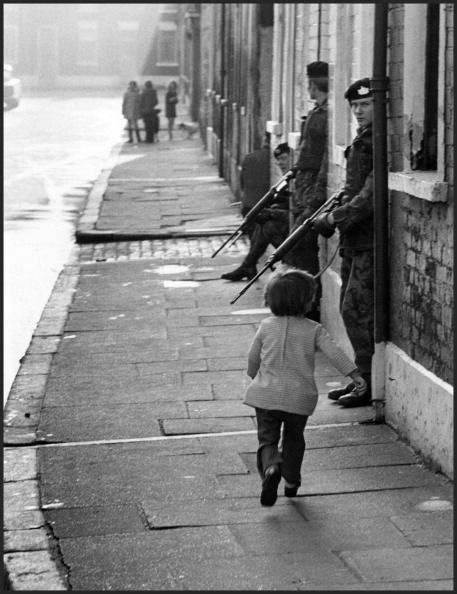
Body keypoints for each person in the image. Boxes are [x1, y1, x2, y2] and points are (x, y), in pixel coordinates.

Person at [243, 269, 367, 506]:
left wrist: (253, 376)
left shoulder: (266, 326)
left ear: (271, 300)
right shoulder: (313, 329)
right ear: (306, 301)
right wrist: (354, 375)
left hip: (265, 395)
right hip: (298, 399)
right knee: (294, 439)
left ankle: (271, 468)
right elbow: (334, 352)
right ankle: (291, 480)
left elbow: (253, 358)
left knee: (267, 439)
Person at [313, 77, 375, 408]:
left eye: (366, 105)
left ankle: (366, 383)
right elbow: (352, 191)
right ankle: (360, 379)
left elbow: (369, 196)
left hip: (369, 239)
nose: (359, 111)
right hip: (353, 238)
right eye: (355, 106)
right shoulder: (362, 139)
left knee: (356, 310)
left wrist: (334, 218)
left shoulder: (377, 142)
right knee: (347, 308)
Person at [281, 61, 329, 322]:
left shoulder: (324, 116)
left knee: (303, 248)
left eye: (309, 83)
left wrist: (314, 197)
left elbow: (322, 160)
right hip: (303, 188)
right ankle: (301, 307)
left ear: (313, 84)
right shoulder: (317, 112)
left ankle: (310, 311)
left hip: (311, 190)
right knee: (297, 248)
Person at [221, 142, 291, 282]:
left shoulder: (300, 178)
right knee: (261, 222)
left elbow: (296, 212)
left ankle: (248, 265)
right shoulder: (288, 178)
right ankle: (248, 266)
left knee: (267, 226)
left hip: (300, 234)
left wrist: (273, 213)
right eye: (278, 160)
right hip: (289, 227)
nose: (280, 163)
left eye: (284, 158)